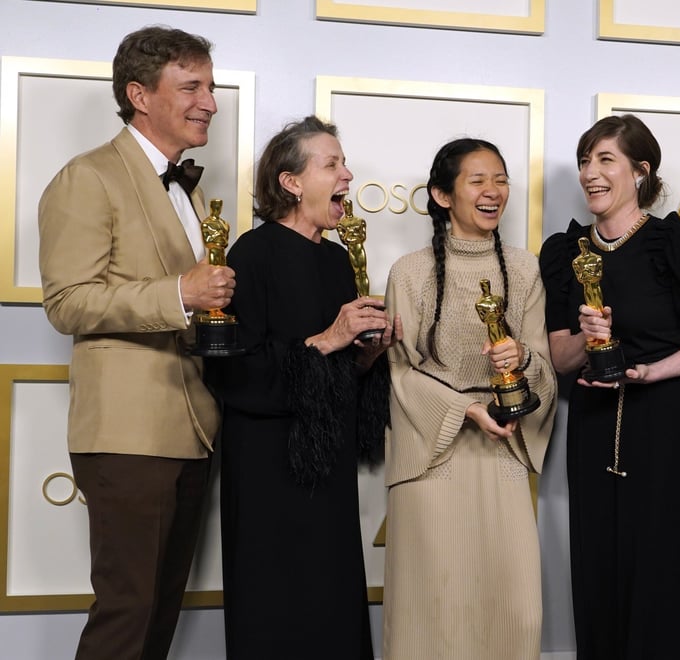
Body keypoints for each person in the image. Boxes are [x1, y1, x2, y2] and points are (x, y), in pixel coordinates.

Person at [36, 27, 231, 660]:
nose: (210, 101)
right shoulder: (86, 177)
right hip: (125, 433)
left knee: (160, 613)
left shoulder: (190, 189)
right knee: (127, 614)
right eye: (192, 86)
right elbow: (68, 302)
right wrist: (179, 293)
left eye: (211, 85)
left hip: (194, 428)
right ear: (139, 95)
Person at [204, 116, 397, 659]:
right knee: (275, 603)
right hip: (267, 467)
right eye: (332, 164)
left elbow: (336, 373)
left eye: (344, 163)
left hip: (327, 462)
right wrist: (331, 338)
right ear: (291, 182)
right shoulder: (251, 254)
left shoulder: (338, 259)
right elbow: (234, 371)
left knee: (331, 597)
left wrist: (368, 355)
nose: (348, 174)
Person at [539, 114, 680, 659]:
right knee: (598, 559)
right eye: (584, 161)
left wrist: (652, 371)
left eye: (605, 160)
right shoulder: (564, 252)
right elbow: (559, 355)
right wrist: (587, 333)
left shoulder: (679, 244)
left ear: (641, 172)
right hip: (594, 425)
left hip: (661, 418)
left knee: (662, 561)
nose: (589, 174)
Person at [383, 138, 556, 660]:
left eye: (501, 179)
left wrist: (520, 360)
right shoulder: (409, 273)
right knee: (432, 609)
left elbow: (545, 369)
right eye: (477, 180)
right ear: (442, 194)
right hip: (432, 461)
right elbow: (398, 371)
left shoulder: (524, 269)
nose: (493, 191)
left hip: (502, 455)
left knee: (514, 610)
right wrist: (464, 409)